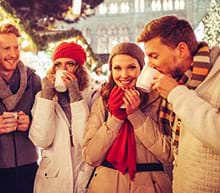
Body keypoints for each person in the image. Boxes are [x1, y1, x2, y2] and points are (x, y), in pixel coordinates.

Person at [137, 15, 220, 193]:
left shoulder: (213, 77)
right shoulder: (182, 81)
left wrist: (176, 94)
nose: (150, 65)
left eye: (154, 56)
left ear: (181, 49)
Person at [83, 42, 173, 193]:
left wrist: (135, 115)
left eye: (131, 67)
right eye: (117, 68)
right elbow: (91, 157)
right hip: (105, 186)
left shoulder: (160, 99)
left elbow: (168, 154)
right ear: (111, 71)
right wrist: (116, 119)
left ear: (141, 69)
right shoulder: (102, 101)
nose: (124, 75)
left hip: (150, 185)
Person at [0, 23, 41, 193]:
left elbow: (48, 126)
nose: (13, 54)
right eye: (6, 48)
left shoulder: (33, 81)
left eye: (16, 48)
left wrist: (31, 124)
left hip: (29, 168)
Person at [29, 42, 93, 193]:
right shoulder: (42, 96)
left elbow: (83, 140)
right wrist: (46, 97)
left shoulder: (92, 96)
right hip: (52, 180)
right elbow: (41, 140)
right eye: (58, 64)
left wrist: (75, 95)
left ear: (80, 68)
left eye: (70, 64)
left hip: (83, 177)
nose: (63, 70)